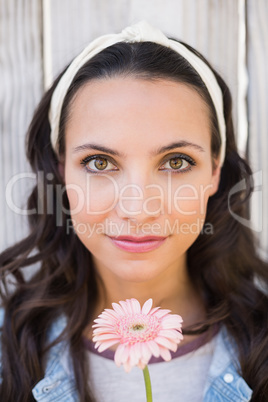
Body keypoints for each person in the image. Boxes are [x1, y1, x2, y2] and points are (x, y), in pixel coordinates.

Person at [0, 20, 267, 402]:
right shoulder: (8, 352)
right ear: (61, 172)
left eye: (176, 162)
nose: (138, 209)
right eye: (99, 162)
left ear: (214, 171)